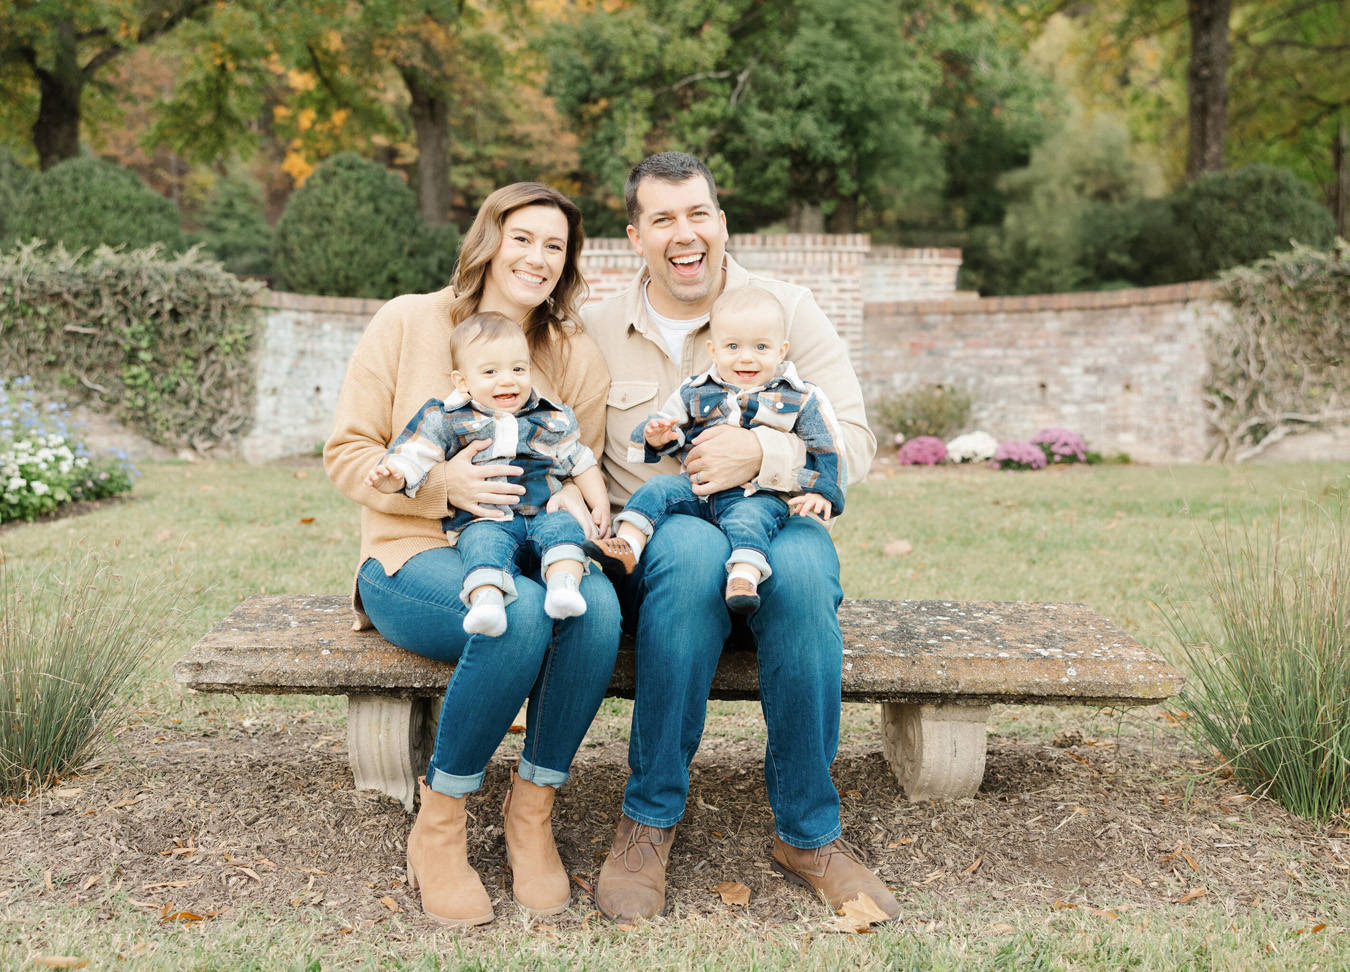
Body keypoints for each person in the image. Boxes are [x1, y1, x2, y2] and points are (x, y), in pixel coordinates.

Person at [582, 152, 899, 921]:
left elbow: (852, 440)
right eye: (662, 219)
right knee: (689, 557)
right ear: (636, 235)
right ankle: (648, 819)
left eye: (697, 214)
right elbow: (562, 445)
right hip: (663, 546)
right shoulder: (594, 324)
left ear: (721, 223)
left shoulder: (787, 308)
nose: (683, 234)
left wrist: (764, 453)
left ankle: (810, 833)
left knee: (805, 571)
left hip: (774, 518)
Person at [325, 183, 620, 927]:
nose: (538, 257)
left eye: (555, 246)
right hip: (409, 555)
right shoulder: (409, 321)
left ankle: (531, 813)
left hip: (527, 554)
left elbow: (578, 468)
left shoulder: (573, 355)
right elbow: (347, 453)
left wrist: (574, 507)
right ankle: (441, 824)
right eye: (523, 237)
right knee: (516, 620)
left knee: (598, 610)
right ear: (488, 239)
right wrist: (442, 485)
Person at [584, 286, 845, 615]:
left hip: (757, 495)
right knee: (657, 489)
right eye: (733, 346)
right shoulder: (695, 390)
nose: (746, 357)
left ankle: (744, 578)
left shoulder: (800, 397)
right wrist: (657, 437)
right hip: (696, 489)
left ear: (782, 351)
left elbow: (828, 445)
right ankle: (629, 545)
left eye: (761, 347)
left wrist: (823, 491)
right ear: (714, 349)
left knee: (751, 521)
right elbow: (672, 429)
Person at [367, 312, 610, 636]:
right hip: (486, 520)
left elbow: (581, 460)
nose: (508, 379)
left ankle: (563, 586)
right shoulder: (447, 417)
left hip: (544, 512)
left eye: (518, 369)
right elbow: (416, 456)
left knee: (564, 530)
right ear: (463, 382)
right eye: (491, 371)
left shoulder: (549, 416)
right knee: (481, 546)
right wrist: (395, 476)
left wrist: (599, 505)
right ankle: (487, 603)